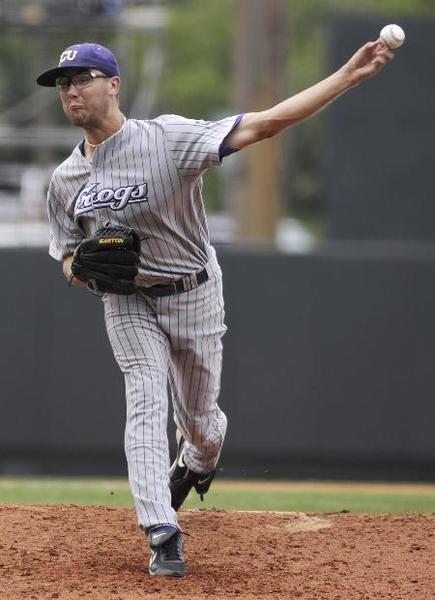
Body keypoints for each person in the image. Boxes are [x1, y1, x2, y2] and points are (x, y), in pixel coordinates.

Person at [36, 38, 393, 577]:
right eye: (63, 83)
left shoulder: (168, 140)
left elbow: (266, 124)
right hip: (128, 301)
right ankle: (161, 529)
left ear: (114, 84)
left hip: (193, 290)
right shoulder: (65, 181)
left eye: (82, 77)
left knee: (200, 421)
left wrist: (346, 76)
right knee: (146, 400)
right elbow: (66, 256)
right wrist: (81, 271)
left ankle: (201, 456)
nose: (70, 89)